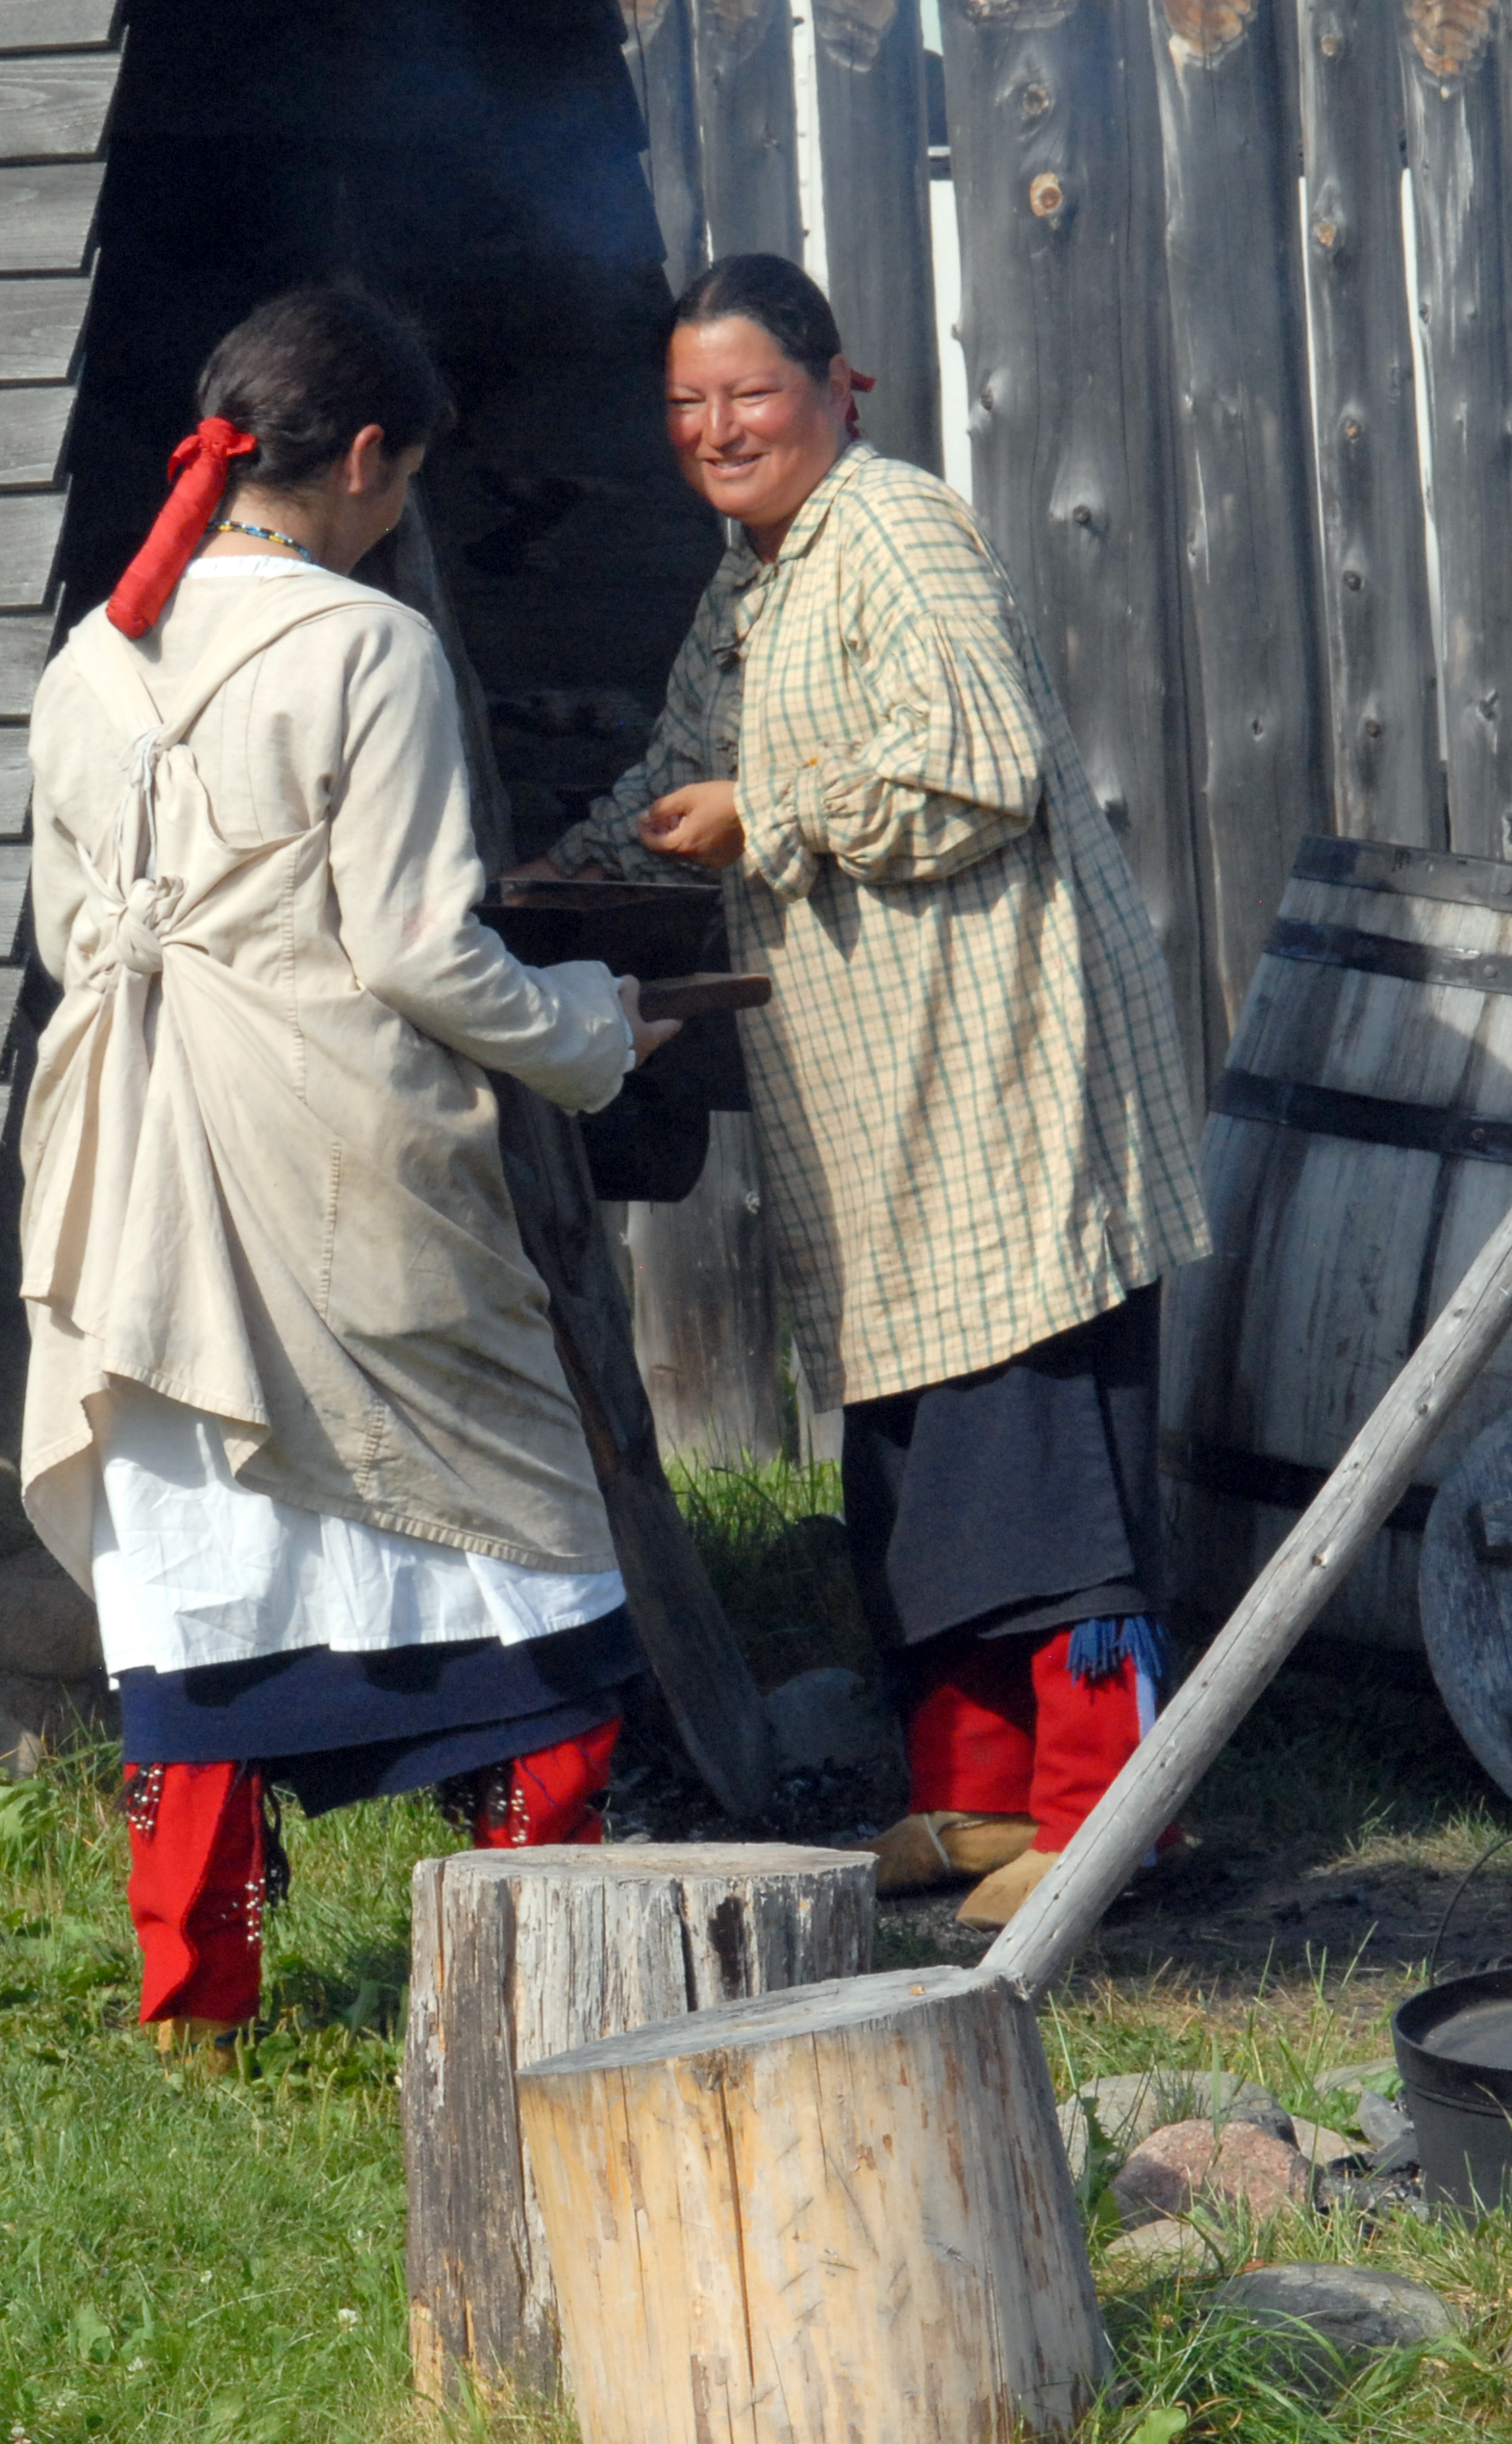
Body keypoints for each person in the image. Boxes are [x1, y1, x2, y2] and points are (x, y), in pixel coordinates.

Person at [18, 289, 680, 2060]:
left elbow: (79, 933)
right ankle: (538, 1958)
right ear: (366, 456)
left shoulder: (91, 657)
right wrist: (598, 1022)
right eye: (402, 482)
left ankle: (200, 2003)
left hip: (132, 1163)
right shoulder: (368, 647)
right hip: (330, 1150)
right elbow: (416, 953)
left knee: (200, 1565)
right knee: (524, 1523)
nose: (399, 518)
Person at [518, 254, 1210, 1928]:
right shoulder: (753, 579)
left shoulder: (891, 527)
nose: (715, 429)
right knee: (914, 1448)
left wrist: (772, 807)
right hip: (885, 1100)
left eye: (748, 393)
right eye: (686, 404)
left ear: (845, 390)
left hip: (1000, 1069)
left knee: (1031, 1440)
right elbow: (682, 767)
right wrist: (553, 878)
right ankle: (973, 1798)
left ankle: (1104, 1812)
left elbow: (982, 762)